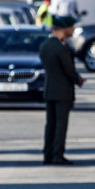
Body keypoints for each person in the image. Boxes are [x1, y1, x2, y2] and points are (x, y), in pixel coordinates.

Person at [39, 15, 84, 165]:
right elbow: (69, 70)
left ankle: (48, 154)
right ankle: (57, 155)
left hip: (49, 90)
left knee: (50, 124)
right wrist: (78, 79)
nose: (72, 31)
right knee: (60, 125)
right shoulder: (61, 48)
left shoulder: (45, 46)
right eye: (71, 28)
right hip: (63, 92)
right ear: (64, 29)